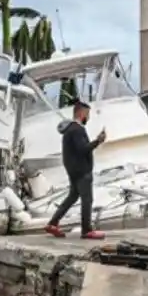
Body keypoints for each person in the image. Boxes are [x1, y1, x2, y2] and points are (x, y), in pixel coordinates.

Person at [44, 100, 107, 240]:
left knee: (72, 197)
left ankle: (53, 223)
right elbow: (83, 149)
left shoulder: (69, 131)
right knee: (87, 199)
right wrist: (98, 141)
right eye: (87, 114)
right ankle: (87, 230)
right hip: (82, 171)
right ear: (81, 113)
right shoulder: (78, 129)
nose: (88, 118)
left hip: (72, 170)